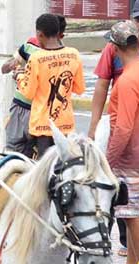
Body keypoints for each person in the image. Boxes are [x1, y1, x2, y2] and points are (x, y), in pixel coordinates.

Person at [105, 21, 139, 264]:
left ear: (116, 47)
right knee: (132, 214)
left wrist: (107, 161)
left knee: (133, 216)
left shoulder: (128, 79)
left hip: (132, 158)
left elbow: (123, 128)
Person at [14, 13, 84, 158]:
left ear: (39, 35)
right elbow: (79, 88)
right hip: (65, 126)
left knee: (44, 169)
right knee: (63, 166)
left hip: (42, 127)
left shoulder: (36, 58)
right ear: (59, 32)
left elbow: (28, 92)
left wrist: (19, 76)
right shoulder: (74, 54)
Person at [87, 4, 139, 140]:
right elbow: (102, 85)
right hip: (120, 121)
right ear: (132, 20)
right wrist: (94, 125)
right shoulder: (114, 47)